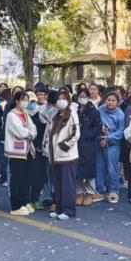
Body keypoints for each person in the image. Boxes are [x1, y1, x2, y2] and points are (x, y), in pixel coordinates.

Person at [45, 88, 79, 221]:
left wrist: (64, 145)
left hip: (67, 155)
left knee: (68, 185)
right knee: (58, 184)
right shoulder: (56, 115)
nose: (61, 101)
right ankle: (59, 208)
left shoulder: (72, 114)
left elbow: (76, 134)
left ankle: (69, 210)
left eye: (64, 99)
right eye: (59, 99)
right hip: (55, 155)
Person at [5, 90, 39, 216]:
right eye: (23, 100)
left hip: (28, 150)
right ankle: (16, 205)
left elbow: (33, 129)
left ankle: (24, 202)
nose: (25, 102)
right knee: (17, 178)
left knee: (26, 178)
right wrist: (29, 133)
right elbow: (20, 132)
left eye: (27, 100)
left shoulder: (25, 113)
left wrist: (30, 133)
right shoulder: (11, 115)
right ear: (16, 101)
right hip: (16, 151)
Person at [96, 92, 126, 203]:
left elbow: (121, 131)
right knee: (99, 167)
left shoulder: (120, 114)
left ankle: (113, 191)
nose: (110, 102)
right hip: (100, 141)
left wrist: (109, 138)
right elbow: (95, 123)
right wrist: (100, 129)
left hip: (113, 143)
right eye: (108, 100)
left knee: (112, 168)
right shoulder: (100, 110)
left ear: (117, 102)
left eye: (113, 100)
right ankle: (99, 190)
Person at [75, 88, 101, 206]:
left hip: (89, 144)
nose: (82, 98)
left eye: (84, 96)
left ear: (89, 97)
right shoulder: (75, 110)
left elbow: (98, 127)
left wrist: (87, 134)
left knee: (89, 169)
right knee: (77, 170)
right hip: (76, 143)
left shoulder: (94, 111)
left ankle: (90, 193)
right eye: (80, 96)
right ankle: (79, 192)